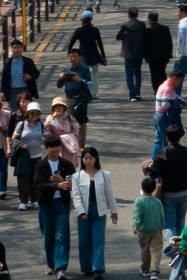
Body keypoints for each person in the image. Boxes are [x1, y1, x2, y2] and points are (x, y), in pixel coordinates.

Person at [70, 146, 118, 279]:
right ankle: (86, 268)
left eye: (90, 158)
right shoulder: (77, 176)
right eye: (85, 158)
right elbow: (76, 196)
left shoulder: (104, 174)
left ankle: (98, 269)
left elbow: (109, 194)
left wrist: (114, 211)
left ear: (96, 159)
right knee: (84, 241)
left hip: (99, 211)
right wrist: (80, 212)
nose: (88, 161)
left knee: (98, 240)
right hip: (84, 213)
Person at [149, 123, 187, 236]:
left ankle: (172, 248)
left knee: (169, 225)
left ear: (167, 137)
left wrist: (148, 169)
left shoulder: (162, 154)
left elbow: (153, 173)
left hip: (168, 194)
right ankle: (180, 248)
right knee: (180, 222)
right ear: (180, 136)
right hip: (185, 193)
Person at [36, 134, 75, 280]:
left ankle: (61, 268)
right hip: (46, 205)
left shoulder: (67, 165)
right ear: (46, 149)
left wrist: (65, 182)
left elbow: (74, 184)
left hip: (62, 204)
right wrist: (56, 185)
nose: (55, 149)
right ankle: (50, 264)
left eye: (57, 146)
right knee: (49, 236)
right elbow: (38, 185)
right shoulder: (41, 165)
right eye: (51, 146)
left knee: (62, 236)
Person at [56, 48, 94, 149]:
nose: (72, 59)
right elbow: (59, 85)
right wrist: (61, 78)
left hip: (81, 99)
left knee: (82, 122)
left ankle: (81, 145)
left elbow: (90, 84)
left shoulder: (85, 69)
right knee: (67, 120)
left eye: (75, 56)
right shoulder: (66, 69)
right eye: (71, 56)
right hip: (68, 99)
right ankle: (69, 143)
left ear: (79, 57)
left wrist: (80, 80)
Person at [12, 100, 46, 209]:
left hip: (37, 156)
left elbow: (45, 138)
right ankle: (23, 201)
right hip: (23, 156)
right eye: (32, 113)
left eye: (37, 113)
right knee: (23, 179)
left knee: (35, 179)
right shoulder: (21, 124)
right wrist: (20, 145)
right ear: (28, 113)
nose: (34, 115)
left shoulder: (41, 125)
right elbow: (14, 139)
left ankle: (35, 199)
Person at [132, 176, 166, 280]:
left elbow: (136, 215)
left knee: (145, 250)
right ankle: (155, 271)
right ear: (154, 188)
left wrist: (135, 226)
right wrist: (162, 225)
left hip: (143, 230)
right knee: (156, 249)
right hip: (156, 229)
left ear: (142, 188)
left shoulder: (138, 201)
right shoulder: (157, 201)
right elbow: (162, 215)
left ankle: (145, 269)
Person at [117, 6, 148, 101]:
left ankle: (132, 95)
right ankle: (138, 93)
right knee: (138, 73)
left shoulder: (125, 26)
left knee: (129, 74)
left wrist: (124, 35)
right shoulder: (142, 25)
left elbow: (118, 37)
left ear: (128, 15)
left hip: (128, 54)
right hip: (139, 53)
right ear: (137, 14)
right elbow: (145, 38)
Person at [152, 72, 185, 159]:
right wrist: (176, 104)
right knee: (164, 142)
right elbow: (164, 106)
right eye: (179, 81)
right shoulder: (167, 89)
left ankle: (154, 160)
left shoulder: (167, 86)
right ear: (173, 78)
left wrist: (182, 101)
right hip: (163, 117)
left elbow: (174, 96)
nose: (180, 83)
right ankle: (161, 163)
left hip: (157, 116)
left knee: (159, 140)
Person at [45, 97, 82, 168]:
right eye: (56, 106)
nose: (58, 108)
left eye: (60, 106)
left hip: (69, 145)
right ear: (53, 108)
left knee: (69, 166)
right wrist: (53, 118)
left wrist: (74, 140)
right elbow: (46, 130)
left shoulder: (69, 118)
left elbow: (76, 129)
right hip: (56, 147)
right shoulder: (50, 118)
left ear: (64, 108)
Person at [2, 38, 40, 108]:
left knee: (26, 109)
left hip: (25, 89)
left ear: (21, 49)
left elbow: (36, 73)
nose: (16, 50)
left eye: (18, 48)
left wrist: (30, 76)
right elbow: (4, 79)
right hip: (12, 91)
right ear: (11, 49)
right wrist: (2, 92)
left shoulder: (28, 61)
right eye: (14, 48)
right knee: (14, 112)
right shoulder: (7, 63)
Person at [145, 11, 174, 93]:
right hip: (163, 56)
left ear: (149, 19)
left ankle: (156, 91)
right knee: (162, 73)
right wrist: (169, 54)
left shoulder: (148, 31)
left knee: (154, 74)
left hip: (152, 57)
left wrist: (145, 56)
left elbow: (145, 45)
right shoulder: (165, 28)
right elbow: (169, 42)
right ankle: (164, 89)